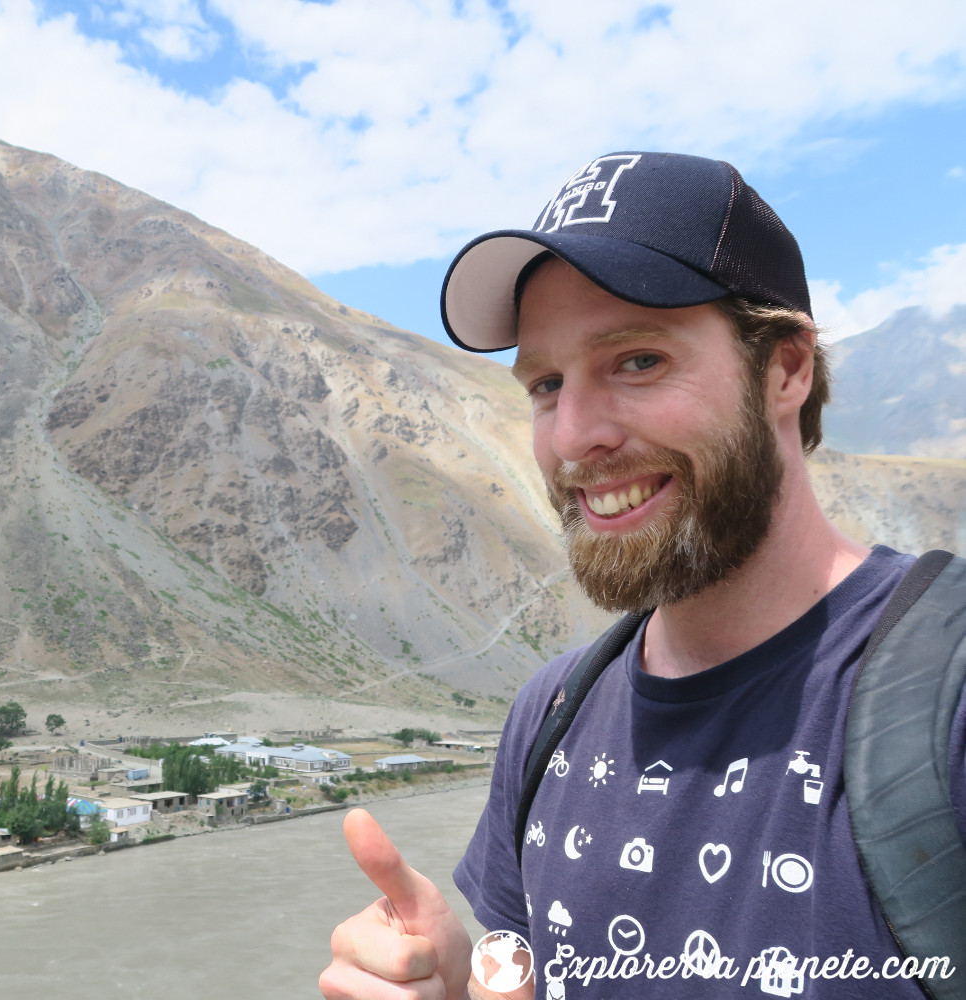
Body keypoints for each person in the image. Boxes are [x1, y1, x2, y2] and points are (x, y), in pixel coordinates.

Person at [318, 151, 966, 1000]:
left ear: (786, 370)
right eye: (546, 384)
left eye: (637, 361)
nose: (576, 433)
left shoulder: (946, 702)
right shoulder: (551, 715)